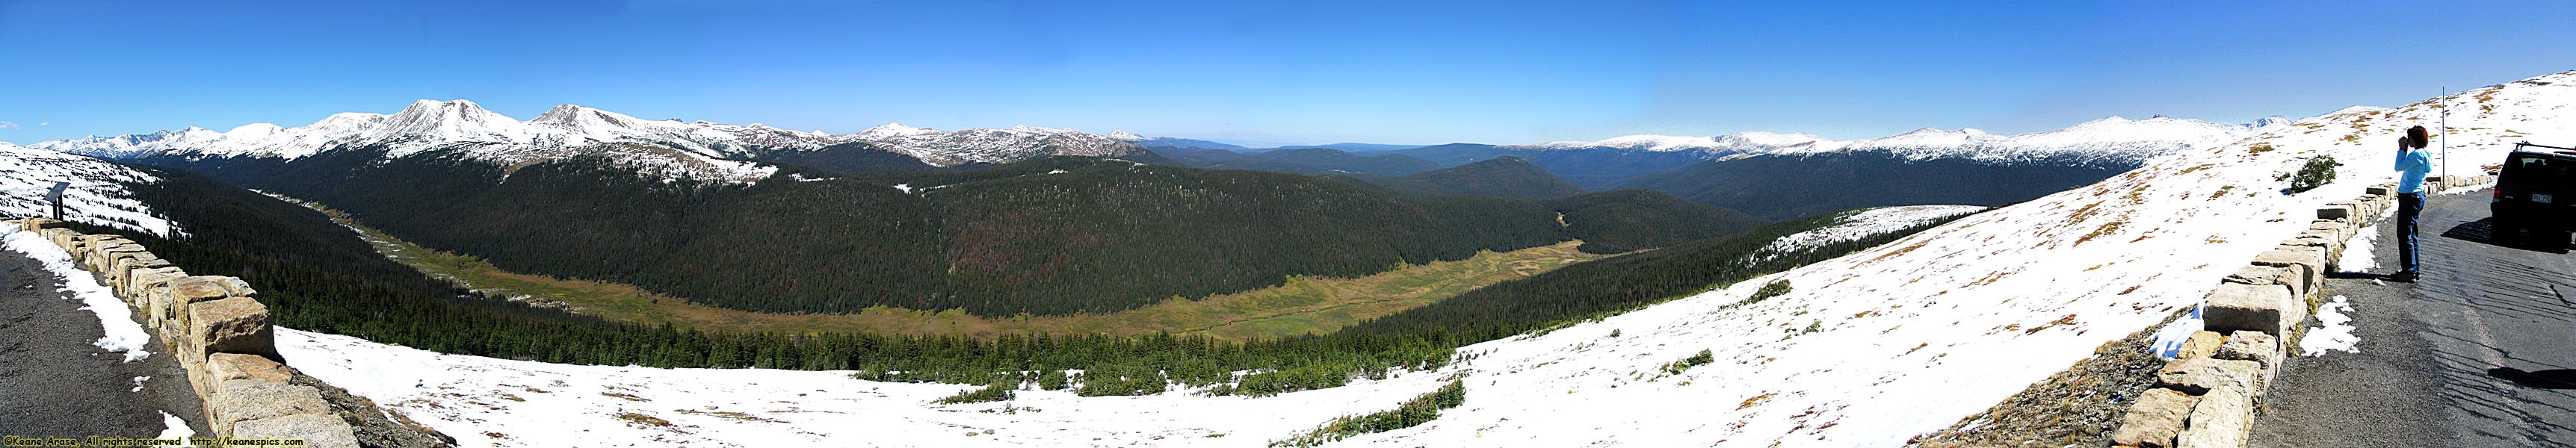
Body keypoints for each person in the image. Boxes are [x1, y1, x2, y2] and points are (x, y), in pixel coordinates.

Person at [2388, 125, 2434, 282]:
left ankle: (2409, 271)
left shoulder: (2417, 155)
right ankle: (2415, 269)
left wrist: (2402, 149)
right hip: (2417, 196)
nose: (2408, 141)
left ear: (2415, 139)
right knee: (2412, 233)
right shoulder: (2425, 154)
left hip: (2409, 197)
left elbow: (2398, 167)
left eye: (2410, 138)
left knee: (2404, 233)